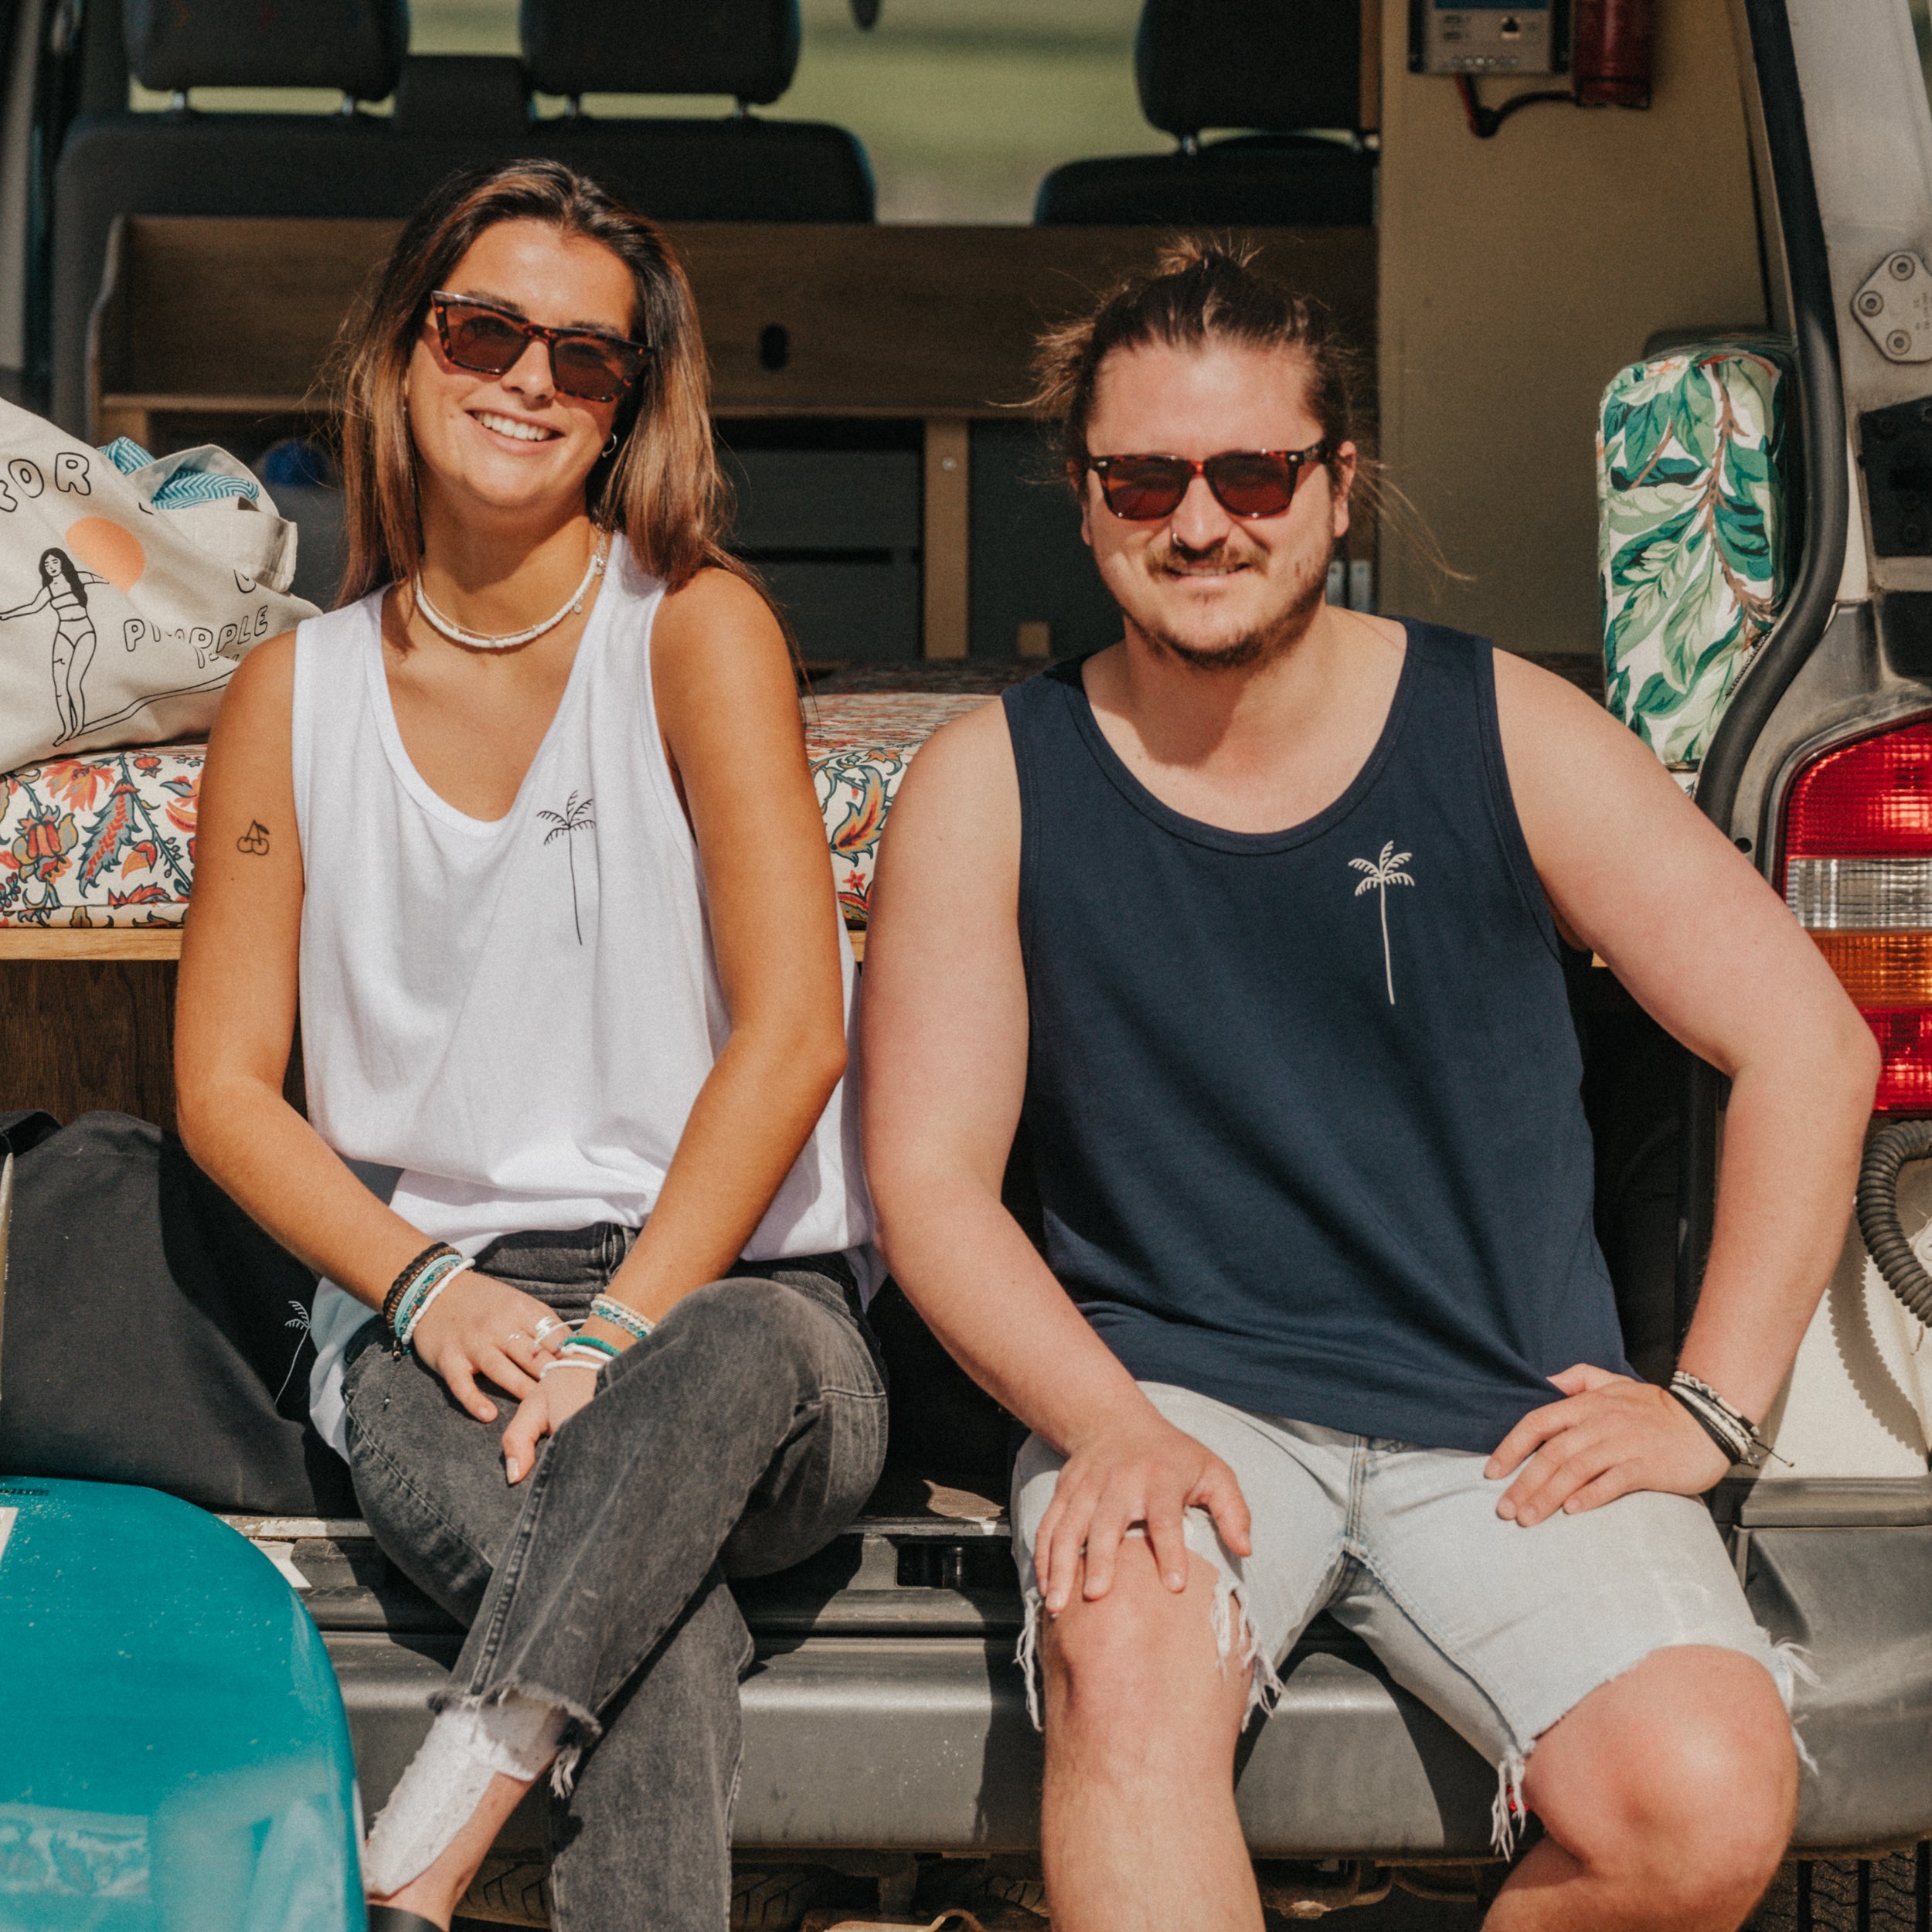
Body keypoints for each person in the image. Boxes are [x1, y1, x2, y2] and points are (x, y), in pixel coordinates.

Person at [860, 239, 1878, 1932]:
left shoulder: (1505, 728)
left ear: (1337, 487)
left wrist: (1707, 1404)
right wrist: (1105, 1421)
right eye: (1146, 478)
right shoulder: (990, 779)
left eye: (1253, 470)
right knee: (1126, 1659)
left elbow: (1807, 1039)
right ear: (1087, 497)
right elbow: (930, 1182)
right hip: (1175, 1391)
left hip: (1502, 1415)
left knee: (1699, 1798)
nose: (1202, 521)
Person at [175, 159, 883, 1932]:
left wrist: (623, 1329)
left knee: (711, 1372)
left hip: (736, 1299)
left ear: (632, 405)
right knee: (659, 1620)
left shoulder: (695, 631)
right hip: (446, 1313)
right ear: (407, 353)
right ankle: (461, 1827)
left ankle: (429, 1839)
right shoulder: (296, 692)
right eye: (486, 330)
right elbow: (218, 1090)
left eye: (586, 358)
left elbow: (794, 1030)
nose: (527, 382)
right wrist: (422, 1291)